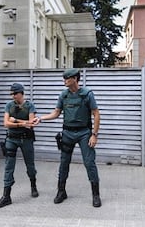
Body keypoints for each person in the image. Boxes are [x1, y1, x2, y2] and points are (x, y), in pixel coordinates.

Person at [39, 68, 102, 207]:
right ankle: (61, 191)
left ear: (74, 78)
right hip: (67, 133)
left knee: (89, 162)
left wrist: (94, 135)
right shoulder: (64, 95)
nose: (64, 81)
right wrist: (40, 119)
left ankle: (96, 195)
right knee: (64, 163)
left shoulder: (87, 94)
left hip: (84, 133)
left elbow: (96, 114)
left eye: (66, 78)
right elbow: (56, 113)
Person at [0, 83, 39, 208]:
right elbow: (6, 124)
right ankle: (6, 196)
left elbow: (31, 124)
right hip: (11, 139)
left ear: (21, 93)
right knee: (8, 167)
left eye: (15, 93)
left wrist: (16, 121)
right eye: (12, 94)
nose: (13, 96)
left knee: (30, 165)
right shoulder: (9, 105)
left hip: (26, 140)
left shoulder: (30, 106)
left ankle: (33, 185)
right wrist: (20, 124)